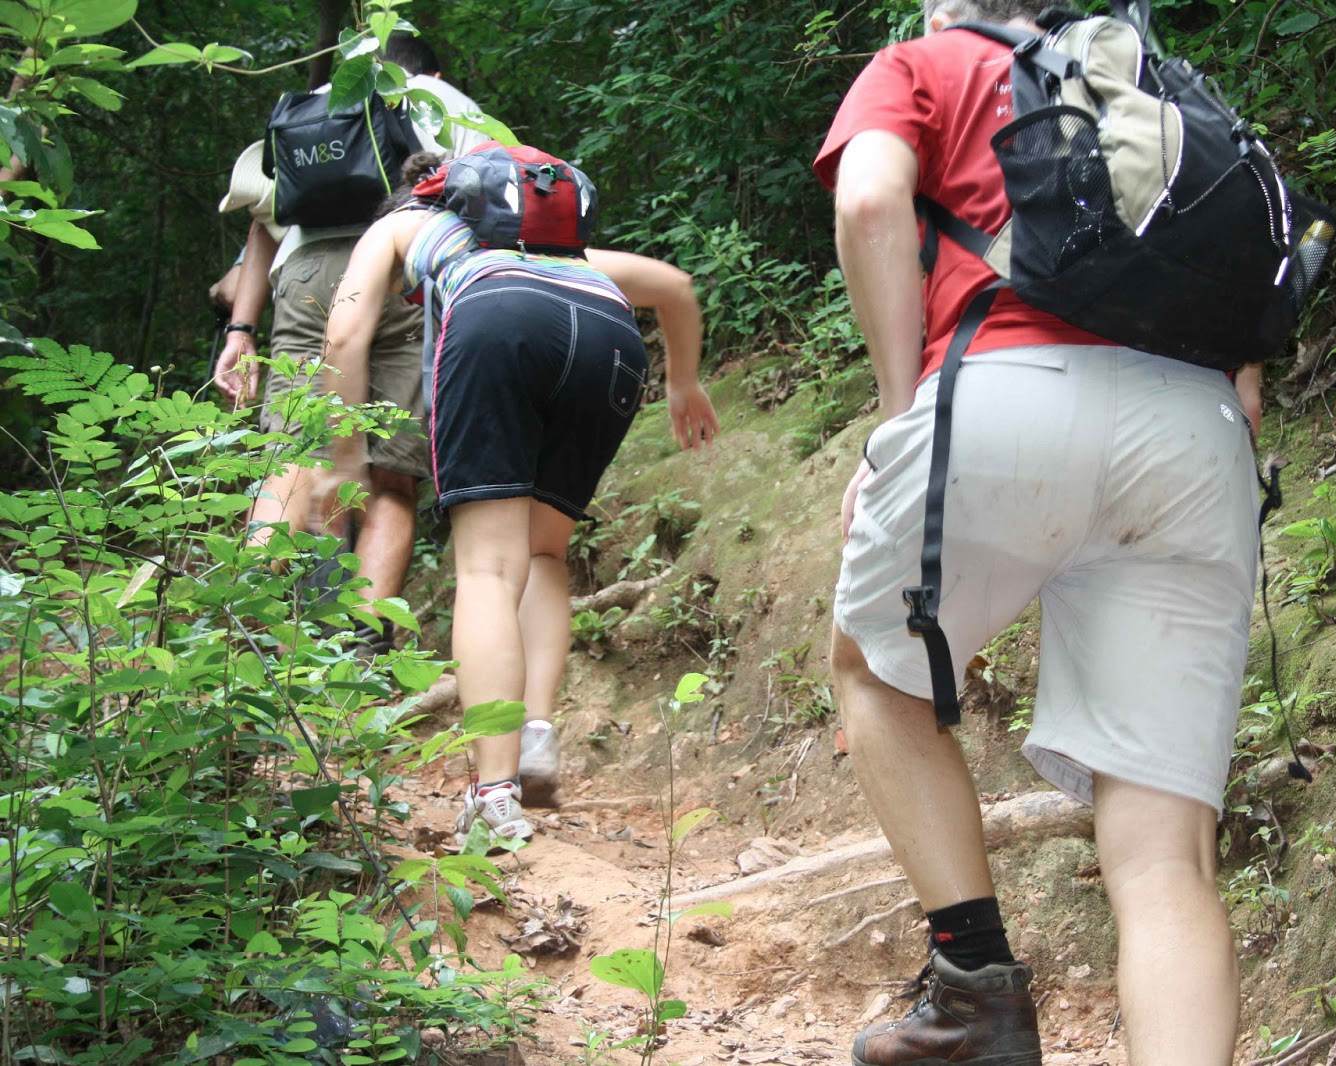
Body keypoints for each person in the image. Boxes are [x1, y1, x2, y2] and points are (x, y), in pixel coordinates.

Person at [814, 3, 1264, 1065]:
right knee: (1163, 859)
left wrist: (895, 417)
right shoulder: (1156, 90)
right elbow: (1249, 327)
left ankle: (975, 987)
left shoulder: (921, 62)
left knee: (875, 676)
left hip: (1001, 396)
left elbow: (871, 203)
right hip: (1195, 436)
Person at [316, 150, 719, 842]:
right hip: (609, 336)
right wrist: (682, 381)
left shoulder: (404, 224)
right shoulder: (559, 250)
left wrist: (345, 459)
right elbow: (675, 285)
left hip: (497, 323)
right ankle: (534, 733)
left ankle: (494, 795)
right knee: (542, 556)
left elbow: (344, 330)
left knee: (487, 568)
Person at [212, 32, 490, 654]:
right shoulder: (447, 103)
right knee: (390, 479)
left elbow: (263, 220)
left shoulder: (316, 104)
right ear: (432, 68)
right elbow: (489, 206)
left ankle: (246, 638)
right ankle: (357, 653)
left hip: (305, 276)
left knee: (290, 454)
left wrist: (241, 330)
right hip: (403, 274)